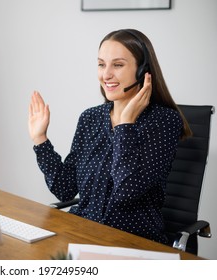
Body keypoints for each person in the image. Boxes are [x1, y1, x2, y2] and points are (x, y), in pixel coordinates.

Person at [28, 29, 192, 244]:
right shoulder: (90, 118)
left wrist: (125, 125)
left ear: (143, 71)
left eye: (118, 65)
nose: (106, 75)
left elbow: (127, 190)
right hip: (83, 233)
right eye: (101, 64)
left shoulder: (163, 121)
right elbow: (65, 188)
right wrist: (40, 139)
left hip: (132, 241)